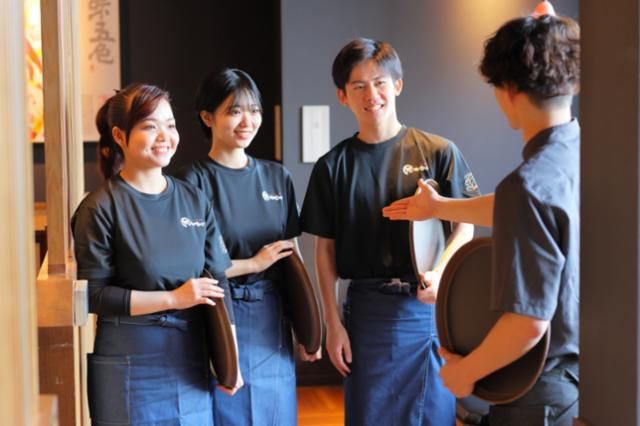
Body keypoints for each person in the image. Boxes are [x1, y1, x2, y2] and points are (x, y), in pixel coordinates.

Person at [383, 11, 580, 426]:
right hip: (592, 382)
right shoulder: (585, 156)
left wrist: (464, 374)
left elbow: (528, 322)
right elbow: (519, 207)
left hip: (540, 392)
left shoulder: (528, 185)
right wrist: (439, 207)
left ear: (508, 90)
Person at [300, 38, 479, 425]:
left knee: (433, 415)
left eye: (379, 82)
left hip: (426, 308)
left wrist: (441, 272)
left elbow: (464, 226)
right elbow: (324, 250)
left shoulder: (438, 151)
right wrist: (332, 324)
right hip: (367, 312)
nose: (371, 95)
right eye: (358, 86)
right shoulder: (332, 167)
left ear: (397, 85)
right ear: (343, 96)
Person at [72, 83, 233, 425]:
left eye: (170, 125)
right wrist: (173, 299)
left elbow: (218, 280)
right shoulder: (99, 208)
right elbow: (95, 296)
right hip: (129, 360)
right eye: (149, 126)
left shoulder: (194, 199)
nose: (164, 136)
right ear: (120, 136)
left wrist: (230, 359)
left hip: (190, 357)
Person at [176, 68, 320, 426]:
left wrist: (309, 325)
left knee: (276, 414)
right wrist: (253, 264)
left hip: (272, 316)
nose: (247, 121)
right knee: (228, 411)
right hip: (219, 314)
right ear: (207, 117)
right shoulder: (192, 181)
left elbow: (291, 253)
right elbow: (192, 264)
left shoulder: (277, 176)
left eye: (254, 110)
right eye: (234, 111)